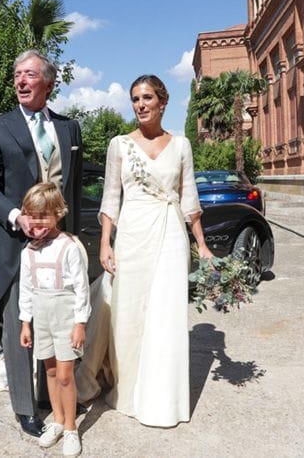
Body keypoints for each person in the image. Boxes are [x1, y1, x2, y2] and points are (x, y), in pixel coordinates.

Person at [94, 74, 214, 427]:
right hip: (131, 235)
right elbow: (111, 197)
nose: (140, 104)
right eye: (135, 99)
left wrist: (202, 245)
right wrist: (105, 242)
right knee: (128, 316)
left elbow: (190, 198)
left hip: (171, 236)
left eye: (147, 97)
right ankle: (128, 392)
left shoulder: (181, 145)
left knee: (166, 314)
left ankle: (163, 400)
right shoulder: (119, 144)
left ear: (163, 102)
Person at [0, 49, 83, 438]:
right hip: (17, 243)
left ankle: (54, 397)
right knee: (19, 326)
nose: (20, 81)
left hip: (60, 244)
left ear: (48, 83)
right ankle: (26, 407)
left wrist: (74, 236)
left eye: (29, 75)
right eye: (17, 74)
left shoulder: (69, 128)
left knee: (57, 321)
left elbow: (72, 186)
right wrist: (15, 217)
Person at [18, 182, 90, 457]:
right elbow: (26, 288)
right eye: (32, 216)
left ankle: (71, 428)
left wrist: (80, 323)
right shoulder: (28, 251)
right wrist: (26, 322)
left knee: (64, 374)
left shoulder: (69, 247)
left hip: (65, 316)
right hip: (42, 316)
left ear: (58, 213)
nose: (37, 223)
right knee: (48, 371)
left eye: (43, 216)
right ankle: (57, 420)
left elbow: (82, 289)